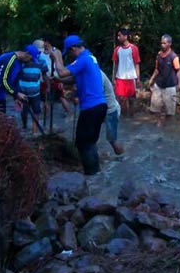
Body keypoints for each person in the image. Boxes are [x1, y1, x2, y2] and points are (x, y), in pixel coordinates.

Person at [50, 35, 108, 175]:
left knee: (83, 143)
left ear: (74, 48)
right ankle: (96, 172)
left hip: (91, 107)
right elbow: (71, 78)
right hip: (99, 106)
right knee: (90, 141)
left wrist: (57, 57)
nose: (69, 55)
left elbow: (63, 72)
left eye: (69, 52)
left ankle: (90, 175)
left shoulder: (83, 59)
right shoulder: (90, 58)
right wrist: (55, 78)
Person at [0, 46, 39, 113]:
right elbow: (2, 81)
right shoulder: (9, 59)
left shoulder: (20, 63)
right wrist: (16, 93)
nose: (30, 61)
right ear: (27, 53)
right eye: (30, 59)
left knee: (1, 120)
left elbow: (14, 81)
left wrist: (16, 98)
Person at [147, 34, 180, 126]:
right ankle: (159, 121)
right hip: (158, 84)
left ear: (170, 44)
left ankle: (166, 123)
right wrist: (151, 79)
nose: (162, 45)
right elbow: (157, 69)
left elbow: (178, 71)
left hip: (170, 85)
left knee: (170, 110)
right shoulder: (159, 55)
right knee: (155, 106)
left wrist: (179, 83)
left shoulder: (174, 57)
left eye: (164, 43)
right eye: (161, 43)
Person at [18, 45, 48, 134]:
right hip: (23, 94)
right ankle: (24, 125)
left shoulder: (41, 62)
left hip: (36, 93)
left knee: (36, 111)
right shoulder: (20, 63)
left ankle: (34, 131)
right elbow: (15, 77)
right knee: (24, 112)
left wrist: (48, 87)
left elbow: (45, 75)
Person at [112, 28, 141, 117]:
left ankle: (131, 116)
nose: (118, 37)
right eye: (118, 35)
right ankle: (124, 117)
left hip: (131, 78)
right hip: (120, 78)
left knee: (131, 99)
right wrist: (113, 77)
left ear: (125, 36)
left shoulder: (134, 48)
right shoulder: (117, 49)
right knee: (121, 99)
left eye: (119, 35)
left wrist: (138, 78)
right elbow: (115, 64)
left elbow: (136, 64)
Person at [43, 35, 72, 118]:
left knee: (60, 96)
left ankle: (68, 112)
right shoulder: (43, 53)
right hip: (47, 77)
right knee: (46, 97)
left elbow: (61, 64)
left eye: (44, 41)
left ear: (47, 42)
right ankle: (46, 117)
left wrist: (61, 79)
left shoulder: (56, 51)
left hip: (56, 76)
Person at [100, 70, 125, 155]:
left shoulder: (98, 76)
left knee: (112, 140)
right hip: (104, 110)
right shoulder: (95, 72)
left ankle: (122, 157)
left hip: (111, 111)